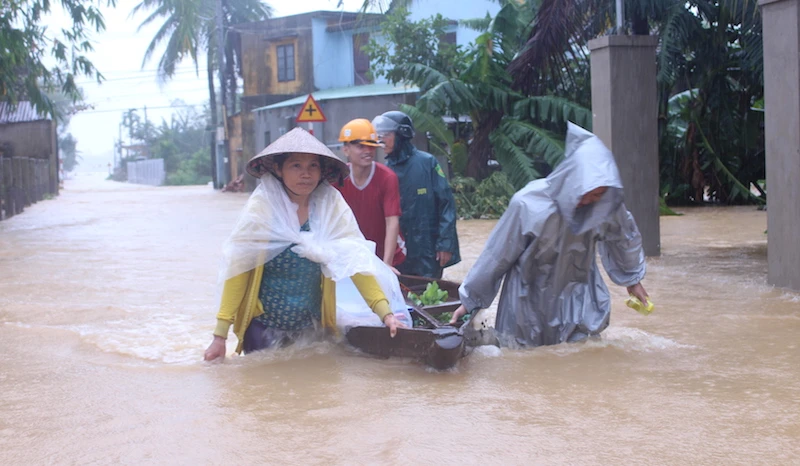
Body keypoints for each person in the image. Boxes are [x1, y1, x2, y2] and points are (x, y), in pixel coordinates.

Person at [204, 128, 404, 361]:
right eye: (296, 166)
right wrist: (220, 336)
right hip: (264, 331)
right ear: (278, 169)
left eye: (313, 166)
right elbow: (238, 269)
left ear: (322, 172)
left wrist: (386, 315)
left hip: (312, 330)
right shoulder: (262, 210)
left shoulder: (329, 209)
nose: (306, 174)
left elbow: (356, 264)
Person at [449, 122, 651, 348]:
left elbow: (624, 236)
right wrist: (471, 300)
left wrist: (633, 280)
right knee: (527, 363)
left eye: (600, 193)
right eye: (589, 192)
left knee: (581, 358)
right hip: (527, 301)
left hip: (578, 294)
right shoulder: (528, 204)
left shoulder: (604, 205)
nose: (593, 199)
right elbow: (497, 256)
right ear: (573, 179)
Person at [371, 110, 460, 279]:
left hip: (427, 250)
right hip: (397, 251)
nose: (381, 139)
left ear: (402, 135)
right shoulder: (383, 172)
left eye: (386, 134)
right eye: (378, 134)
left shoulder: (427, 163)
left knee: (428, 296)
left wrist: (445, 245)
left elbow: (447, 204)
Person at [336, 118, 406, 268]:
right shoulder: (337, 179)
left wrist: (387, 264)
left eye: (371, 146)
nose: (367, 151)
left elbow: (392, 221)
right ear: (346, 149)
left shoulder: (387, 177)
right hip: (354, 256)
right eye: (360, 146)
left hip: (388, 254)